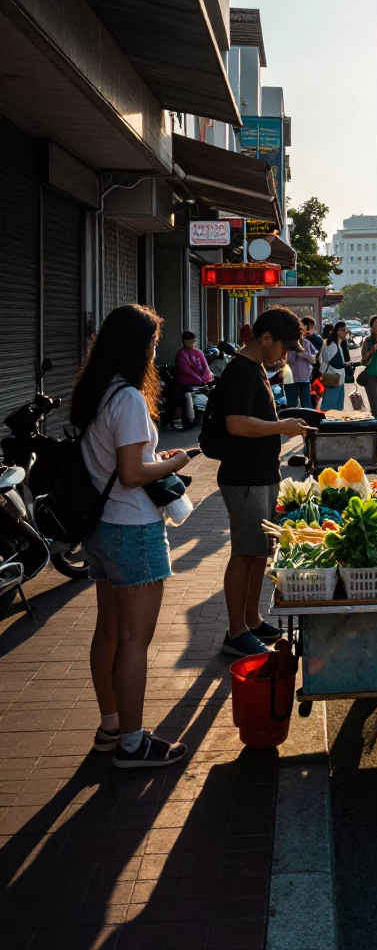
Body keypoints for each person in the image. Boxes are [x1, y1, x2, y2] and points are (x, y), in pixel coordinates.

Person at [73, 304, 191, 768]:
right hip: (133, 528)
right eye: (153, 344)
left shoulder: (95, 392)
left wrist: (151, 460)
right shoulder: (129, 400)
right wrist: (174, 463)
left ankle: (110, 727)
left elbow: (116, 462)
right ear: (138, 347)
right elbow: (131, 473)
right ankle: (132, 743)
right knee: (132, 641)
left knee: (107, 632)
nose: (155, 353)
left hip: (101, 529)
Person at [215, 309, 311, 657]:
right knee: (244, 554)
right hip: (245, 478)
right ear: (265, 338)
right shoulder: (240, 371)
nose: (284, 356)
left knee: (259, 552)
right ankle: (236, 632)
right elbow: (236, 423)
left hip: (262, 474)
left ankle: (252, 620)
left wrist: (282, 423)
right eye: (282, 348)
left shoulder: (256, 368)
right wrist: (281, 427)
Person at [174, 331, 214, 428]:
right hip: (186, 384)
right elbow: (185, 369)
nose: (191, 344)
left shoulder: (198, 352)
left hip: (200, 383)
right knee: (185, 397)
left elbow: (205, 366)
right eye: (189, 342)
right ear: (184, 342)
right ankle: (188, 420)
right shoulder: (181, 354)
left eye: (192, 341)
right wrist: (197, 378)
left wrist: (205, 377)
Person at [284, 322, 318, 408]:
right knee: (292, 405)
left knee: (306, 405)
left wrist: (303, 354)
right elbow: (285, 361)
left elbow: (313, 360)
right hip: (291, 379)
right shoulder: (288, 344)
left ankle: (306, 417)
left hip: (304, 379)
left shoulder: (306, 343)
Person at [319, 320, 350, 412]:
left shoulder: (336, 344)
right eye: (343, 330)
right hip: (333, 378)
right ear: (337, 331)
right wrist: (346, 364)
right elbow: (335, 363)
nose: (345, 332)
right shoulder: (332, 345)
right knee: (330, 407)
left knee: (336, 407)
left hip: (337, 379)